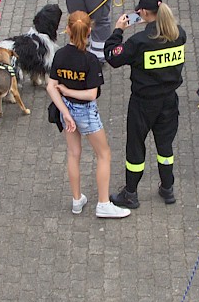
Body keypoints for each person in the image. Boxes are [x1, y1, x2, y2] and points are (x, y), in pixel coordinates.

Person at [46, 11, 133, 219]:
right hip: (85, 112)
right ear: (89, 31)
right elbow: (91, 94)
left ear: (67, 30)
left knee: (73, 153)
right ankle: (103, 203)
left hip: (66, 109)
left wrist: (65, 112)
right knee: (104, 154)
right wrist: (69, 92)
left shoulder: (60, 55)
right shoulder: (91, 60)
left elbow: (51, 87)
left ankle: (77, 200)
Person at [103, 0, 187, 207]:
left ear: (143, 13)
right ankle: (167, 189)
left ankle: (130, 194)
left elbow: (112, 57)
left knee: (135, 148)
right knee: (165, 147)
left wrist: (118, 30)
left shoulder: (139, 42)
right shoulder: (179, 34)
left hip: (143, 104)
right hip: (169, 101)